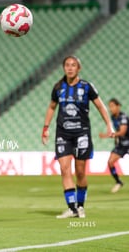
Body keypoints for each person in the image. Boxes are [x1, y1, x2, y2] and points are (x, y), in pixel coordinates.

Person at [42, 55, 114, 219]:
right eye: (67, 65)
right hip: (63, 134)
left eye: (73, 65)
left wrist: (109, 125)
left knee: (80, 172)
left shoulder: (87, 87)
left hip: (82, 133)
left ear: (78, 68)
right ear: (64, 68)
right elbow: (52, 107)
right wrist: (45, 128)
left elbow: (101, 107)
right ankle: (72, 208)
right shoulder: (58, 87)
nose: (70, 68)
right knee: (64, 169)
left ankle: (80, 206)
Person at [99, 98, 127, 193]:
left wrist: (109, 135)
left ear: (118, 106)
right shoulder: (113, 117)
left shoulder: (123, 117)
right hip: (122, 144)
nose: (110, 108)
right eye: (109, 106)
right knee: (110, 162)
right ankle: (119, 182)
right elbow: (117, 132)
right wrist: (115, 139)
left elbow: (123, 131)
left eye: (112, 106)